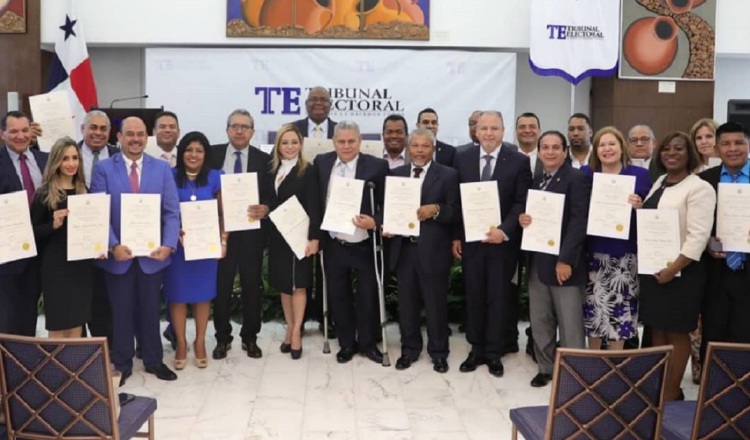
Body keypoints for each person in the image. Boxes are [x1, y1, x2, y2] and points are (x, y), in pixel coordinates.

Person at [90, 116, 180, 386]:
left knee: (151, 310)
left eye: (141, 134)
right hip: (119, 258)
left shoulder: (162, 169)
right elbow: (99, 211)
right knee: (121, 311)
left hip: (152, 258)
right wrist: (113, 245)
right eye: (130, 134)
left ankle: (153, 360)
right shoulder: (104, 169)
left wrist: (169, 244)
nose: (136, 139)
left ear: (147, 137)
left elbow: (171, 212)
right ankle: (123, 362)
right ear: (119, 137)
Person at [452, 110, 532, 377]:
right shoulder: (461, 158)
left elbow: (521, 202)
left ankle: (494, 353)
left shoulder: (518, 161)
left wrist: (504, 230)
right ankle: (476, 350)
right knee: (474, 296)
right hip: (472, 242)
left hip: (502, 244)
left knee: (498, 298)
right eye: (483, 128)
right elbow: (456, 201)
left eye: (494, 128)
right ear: (476, 131)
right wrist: (456, 235)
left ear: (503, 131)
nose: (488, 133)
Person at [638, 131, 715, 401]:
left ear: (689, 153)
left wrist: (672, 269)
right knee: (657, 328)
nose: (671, 153)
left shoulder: (699, 187)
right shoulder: (660, 181)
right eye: (667, 148)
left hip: (682, 273)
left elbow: (698, 237)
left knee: (677, 330)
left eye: (679, 149)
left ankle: (671, 392)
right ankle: (662, 384)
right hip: (654, 269)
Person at [519, 130, 591, 387]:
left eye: (555, 147)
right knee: (540, 320)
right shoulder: (537, 180)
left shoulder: (576, 179)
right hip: (538, 261)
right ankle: (545, 367)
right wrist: (523, 220)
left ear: (565, 151)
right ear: (539, 151)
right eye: (545, 147)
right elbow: (532, 217)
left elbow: (578, 222)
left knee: (570, 323)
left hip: (564, 265)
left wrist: (566, 260)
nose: (550, 152)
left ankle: (575, 373)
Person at [314, 120, 389, 364]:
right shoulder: (322, 163)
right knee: (338, 296)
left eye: (351, 141)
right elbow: (315, 201)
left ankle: (367, 343)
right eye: (341, 141)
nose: (346, 146)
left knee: (368, 296)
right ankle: (346, 343)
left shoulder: (377, 166)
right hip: (335, 243)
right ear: (334, 142)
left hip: (364, 243)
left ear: (360, 141)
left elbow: (387, 203)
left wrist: (375, 222)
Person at [386, 128, 459, 373]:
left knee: (436, 304)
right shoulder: (396, 175)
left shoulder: (448, 175)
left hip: (434, 251)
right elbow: (388, 209)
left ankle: (439, 353)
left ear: (433, 149)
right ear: (408, 149)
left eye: (424, 146)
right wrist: (387, 225)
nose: (419, 150)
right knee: (406, 304)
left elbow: (455, 212)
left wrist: (436, 209)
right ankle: (409, 350)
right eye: (414, 146)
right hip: (404, 249)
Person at [581, 127, 652, 351]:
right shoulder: (586, 174)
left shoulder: (639, 175)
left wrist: (640, 206)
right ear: (596, 149)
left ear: (622, 147)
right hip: (592, 252)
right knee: (593, 309)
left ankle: (614, 364)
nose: (607, 148)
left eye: (612, 144)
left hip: (625, 254)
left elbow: (651, 213)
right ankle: (593, 359)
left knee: (620, 311)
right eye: (602, 144)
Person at [210, 109, 272, 360]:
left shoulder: (264, 159)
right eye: (234, 126)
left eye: (244, 127)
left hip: (251, 234)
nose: (239, 131)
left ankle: (250, 337)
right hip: (219, 231)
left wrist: (266, 208)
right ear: (227, 130)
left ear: (252, 132)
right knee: (221, 287)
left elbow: (271, 194)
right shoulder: (212, 155)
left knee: (251, 286)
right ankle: (222, 338)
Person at [162, 131, 224, 370]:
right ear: (181, 152)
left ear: (205, 154)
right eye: (189, 150)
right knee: (177, 296)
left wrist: (224, 240)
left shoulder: (216, 177)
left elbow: (224, 212)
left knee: (202, 295)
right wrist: (172, 230)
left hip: (206, 248)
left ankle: (199, 342)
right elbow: (163, 209)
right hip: (178, 249)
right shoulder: (169, 175)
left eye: (199, 150)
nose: (193, 155)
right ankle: (181, 343)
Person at [30, 137, 102, 338]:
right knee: (58, 324)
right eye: (65, 159)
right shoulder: (45, 193)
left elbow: (93, 228)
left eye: (74, 158)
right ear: (56, 162)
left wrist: (99, 247)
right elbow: (32, 233)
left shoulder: (84, 191)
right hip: (56, 267)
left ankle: (73, 369)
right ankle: (55, 369)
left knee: (77, 322)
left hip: (81, 267)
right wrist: (52, 226)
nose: (71, 164)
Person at [266, 124, 321, 360]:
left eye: (294, 142)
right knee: (283, 285)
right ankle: (289, 327)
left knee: (299, 284)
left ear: (301, 145)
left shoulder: (308, 170)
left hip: (300, 236)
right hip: (278, 236)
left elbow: (316, 206)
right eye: (285, 142)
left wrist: (315, 237)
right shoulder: (270, 171)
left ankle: (297, 331)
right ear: (278, 145)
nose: (289, 147)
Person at [699, 121, 750, 359]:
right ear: (717, 149)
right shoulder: (703, 181)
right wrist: (706, 242)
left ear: (748, 145)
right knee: (714, 338)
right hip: (715, 273)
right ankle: (714, 394)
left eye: (739, 142)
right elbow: (695, 224)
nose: (733, 149)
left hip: (747, 271)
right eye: (726, 144)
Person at [0, 111, 47, 336]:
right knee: (8, 314)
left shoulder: (45, 160)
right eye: (14, 131)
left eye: (25, 130)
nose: (20, 136)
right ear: (2, 134)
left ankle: (27, 363)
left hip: (43, 247)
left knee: (30, 312)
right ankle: (6, 367)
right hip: (9, 253)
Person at [78, 110, 118, 346]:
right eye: (93, 127)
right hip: (75, 242)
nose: (98, 133)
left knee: (105, 300)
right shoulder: (66, 154)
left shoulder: (119, 156)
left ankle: (108, 351)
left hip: (110, 242)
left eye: (103, 129)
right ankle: (79, 352)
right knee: (77, 301)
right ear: (82, 129)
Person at [516, 112, 543, 178]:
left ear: (539, 131)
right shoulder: (507, 158)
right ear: (516, 131)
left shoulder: (547, 158)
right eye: (522, 127)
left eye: (532, 127)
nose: (527, 131)